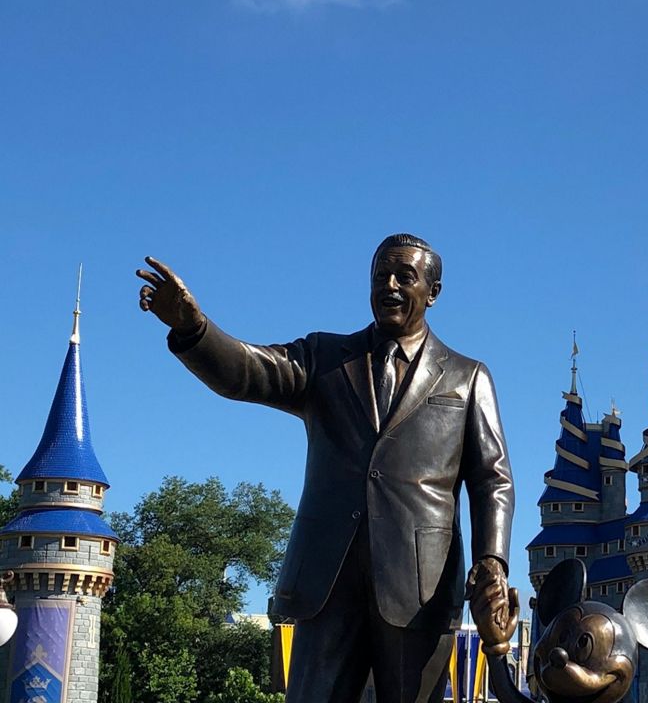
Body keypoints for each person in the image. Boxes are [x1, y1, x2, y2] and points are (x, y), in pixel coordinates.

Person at [137, 234, 515, 702]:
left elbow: (492, 478)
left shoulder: (466, 376)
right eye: (381, 276)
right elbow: (248, 370)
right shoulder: (325, 358)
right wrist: (196, 329)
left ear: (433, 292)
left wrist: (492, 561)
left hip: (421, 587)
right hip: (326, 584)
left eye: (405, 276)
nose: (391, 285)